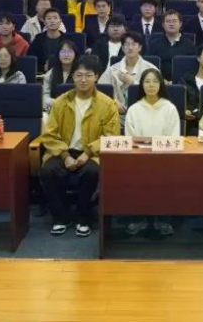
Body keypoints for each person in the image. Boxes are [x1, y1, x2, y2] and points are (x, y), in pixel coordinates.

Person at [40, 55, 119, 237]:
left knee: (92, 172)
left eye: (88, 75)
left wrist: (88, 152)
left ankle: (84, 217)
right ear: (73, 77)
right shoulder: (60, 102)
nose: (83, 80)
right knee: (48, 171)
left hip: (93, 153)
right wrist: (65, 155)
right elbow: (49, 134)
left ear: (96, 77)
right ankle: (61, 217)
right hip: (63, 150)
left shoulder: (107, 105)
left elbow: (111, 136)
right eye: (79, 75)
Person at [123, 68, 181, 237]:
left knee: (164, 177)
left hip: (165, 160)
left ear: (161, 84)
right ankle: (139, 218)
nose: (151, 85)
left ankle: (163, 220)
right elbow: (130, 139)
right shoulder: (134, 109)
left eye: (155, 81)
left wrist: (159, 156)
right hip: (138, 161)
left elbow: (173, 138)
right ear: (141, 85)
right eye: (147, 81)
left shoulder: (169, 108)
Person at [98, 32, 158, 128]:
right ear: (122, 48)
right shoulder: (113, 70)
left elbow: (157, 94)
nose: (130, 48)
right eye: (127, 44)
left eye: (134, 44)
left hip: (144, 118)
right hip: (116, 118)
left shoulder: (151, 69)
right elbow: (100, 90)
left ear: (140, 47)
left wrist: (133, 83)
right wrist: (113, 101)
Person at [149, 10, 196, 82]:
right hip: (158, 82)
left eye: (174, 21)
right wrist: (161, 80)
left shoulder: (190, 45)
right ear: (163, 25)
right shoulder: (154, 44)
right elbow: (149, 66)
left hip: (183, 84)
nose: (171, 24)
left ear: (180, 24)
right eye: (168, 21)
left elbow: (192, 69)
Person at [42, 40, 78, 115]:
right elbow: (44, 95)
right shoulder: (51, 73)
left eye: (70, 52)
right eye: (63, 52)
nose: (66, 55)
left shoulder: (80, 74)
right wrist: (56, 102)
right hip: (54, 109)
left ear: (75, 55)